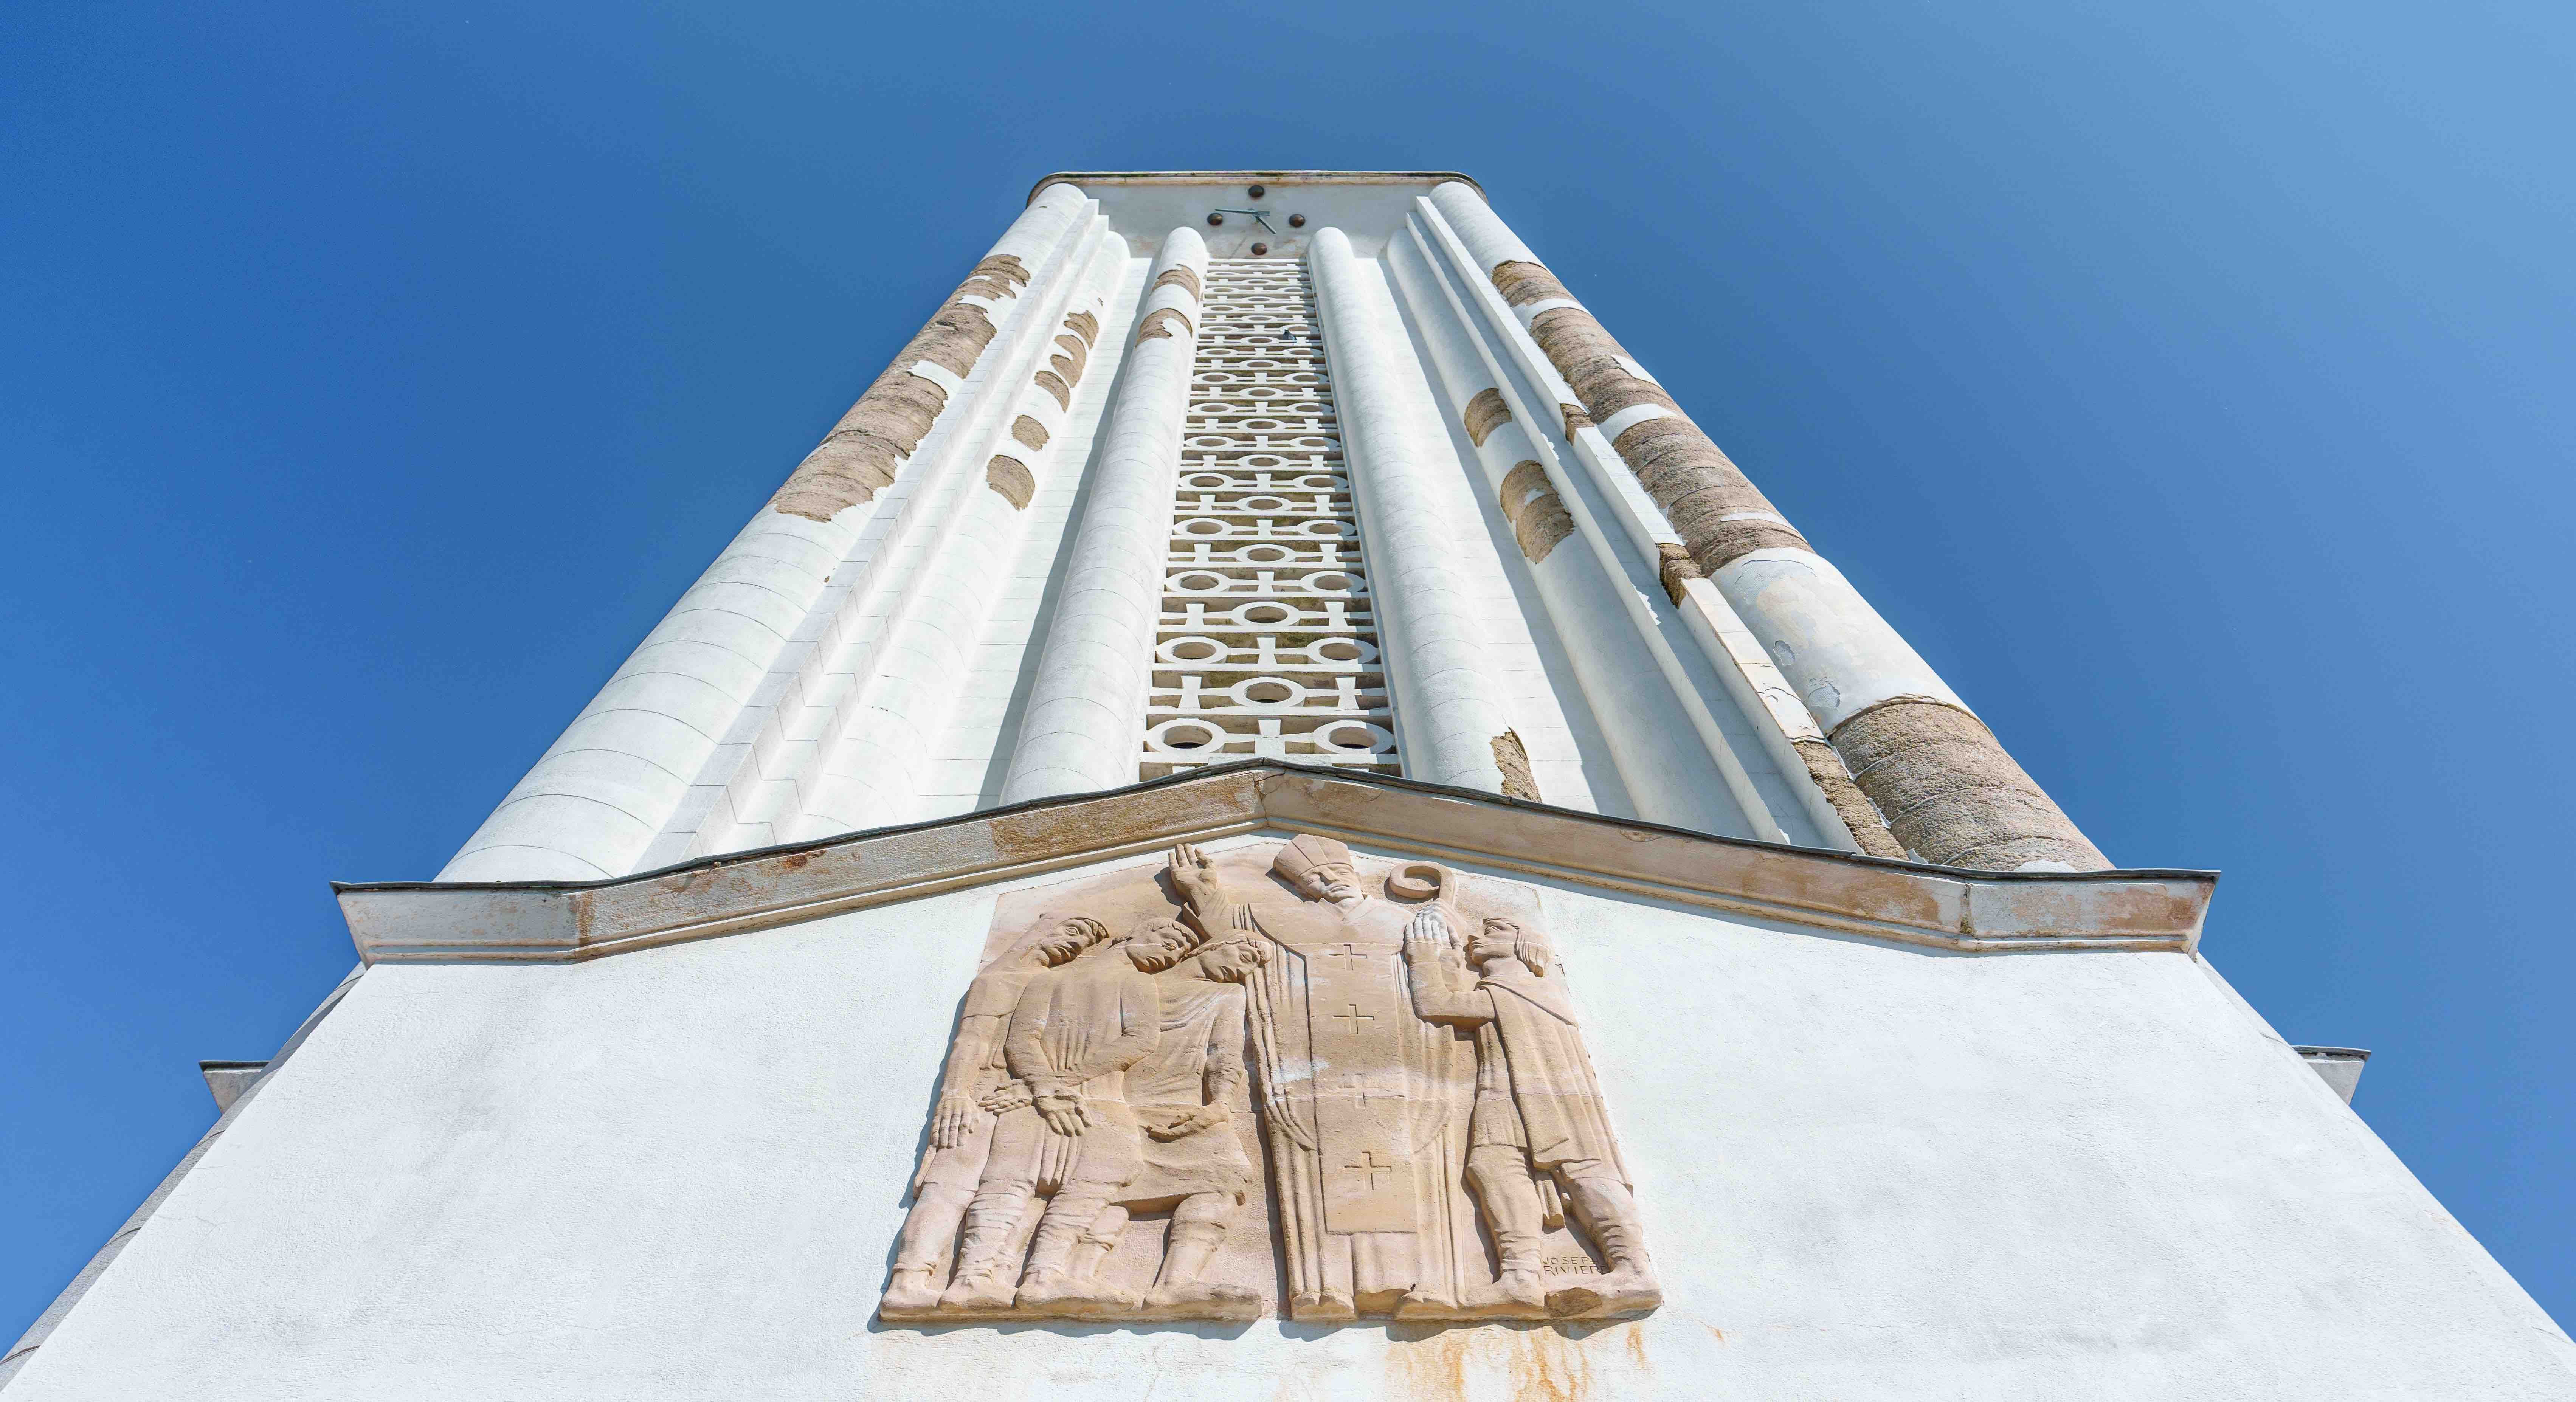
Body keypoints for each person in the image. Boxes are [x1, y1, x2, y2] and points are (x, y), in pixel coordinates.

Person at [1401, 913, 1661, 1317]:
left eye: (1493, 931)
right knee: (1492, 1167)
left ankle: (1634, 1271)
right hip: (1504, 1090)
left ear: (1524, 944)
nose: (1476, 936)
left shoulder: (1523, 988)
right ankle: (1521, 1276)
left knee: (1583, 1173)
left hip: (1550, 1093)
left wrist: (1425, 956)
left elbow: (1438, 1003)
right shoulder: (1504, 988)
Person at [937, 918, 1197, 1312]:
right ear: (1133, 933)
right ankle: (1020, 1277)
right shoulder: (1128, 982)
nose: (1171, 954)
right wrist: (1057, 1085)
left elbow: (1026, 1041)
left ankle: (987, 1279)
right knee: (1025, 1182)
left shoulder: (1051, 979)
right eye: (1168, 940)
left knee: (1017, 1181)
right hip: (1089, 1100)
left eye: (1178, 952)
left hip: (1032, 1096)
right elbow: (1140, 1039)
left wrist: (1044, 1086)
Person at [881, 916, 1108, 1315]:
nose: (1073, 947)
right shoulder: (1001, 978)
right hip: (982, 1093)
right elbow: (972, 1041)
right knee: (951, 1186)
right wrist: (957, 1094)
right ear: (1041, 930)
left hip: (1018, 1098)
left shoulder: (1046, 984)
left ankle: (980, 1277)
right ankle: (909, 1280)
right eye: (1073, 932)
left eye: (1082, 944)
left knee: (1006, 1189)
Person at [1058, 930, 1272, 1318]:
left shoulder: (1227, 996)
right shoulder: (1137, 984)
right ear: (1213, 946)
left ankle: (1176, 1285)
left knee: (1223, 1180)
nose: (1246, 968)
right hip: (1116, 1103)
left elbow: (1223, 1053)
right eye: (1243, 955)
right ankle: (1076, 1276)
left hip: (1185, 1108)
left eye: (1254, 965)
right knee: (1110, 1189)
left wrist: (1220, 1105)